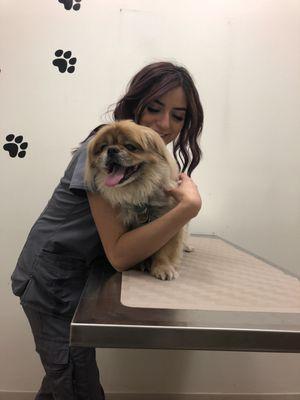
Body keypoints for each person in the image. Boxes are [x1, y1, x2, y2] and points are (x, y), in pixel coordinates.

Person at [11, 61, 204, 399]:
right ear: (136, 103)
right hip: (52, 284)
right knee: (77, 382)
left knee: (63, 375)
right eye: (155, 108)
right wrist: (188, 208)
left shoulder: (149, 158)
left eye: (179, 115)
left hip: (83, 281)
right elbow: (119, 253)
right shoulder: (99, 153)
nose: (165, 123)